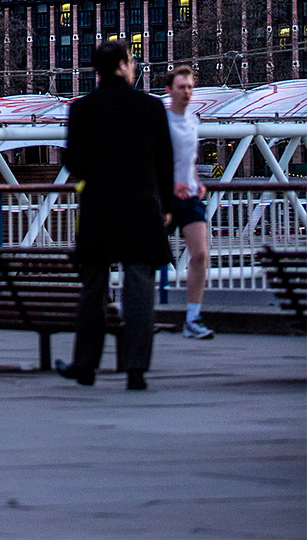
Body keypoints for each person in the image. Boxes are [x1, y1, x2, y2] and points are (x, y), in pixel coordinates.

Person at [57, 42, 174, 392]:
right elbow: (165, 162)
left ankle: (85, 365)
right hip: (140, 208)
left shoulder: (83, 110)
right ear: (123, 66)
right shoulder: (150, 107)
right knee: (139, 289)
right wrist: (166, 206)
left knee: (93, 289)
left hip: (99, 209)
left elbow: (73, 163)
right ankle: (136, 368)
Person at [166, 64, 213, 339]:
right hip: (167, 196)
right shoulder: (162, 121)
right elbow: (155, 159)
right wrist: (170, 184)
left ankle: (193, 317)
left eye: (190, 87)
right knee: (148, 257)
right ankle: (137, 314)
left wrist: (197, 180)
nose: (186, 92)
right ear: (169, 90)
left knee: (200, 254)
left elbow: (188, 158)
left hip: (191, 196)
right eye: (181, 87)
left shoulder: (193, 120)